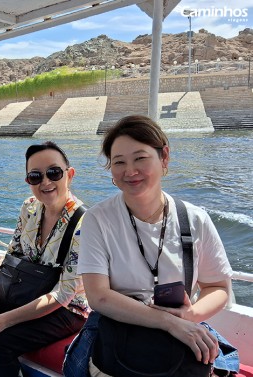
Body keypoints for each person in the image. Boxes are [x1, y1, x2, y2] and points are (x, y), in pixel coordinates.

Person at [77, 115, 235, 376]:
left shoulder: (195, 219)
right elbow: (99, 296)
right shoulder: (97, 219)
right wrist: (166, 322)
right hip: (120, 335)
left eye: (140, 158)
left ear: (164, 158)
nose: (130, 171)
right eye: (119, 162)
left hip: (179, 334)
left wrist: (190, 316)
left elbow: (218, 287)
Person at [0, 141, 89, 377]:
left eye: (54, 172)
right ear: (28, 182)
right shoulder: (30, 208)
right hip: (28, 292)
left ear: (69, 175)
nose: (45, 182)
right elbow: (12, 255)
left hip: (67, 309)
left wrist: (4, 321)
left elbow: (63, 295)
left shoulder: (85, 224)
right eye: (36, 176)